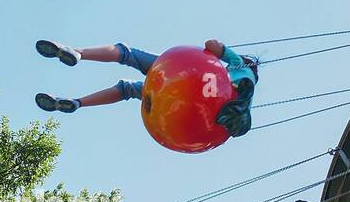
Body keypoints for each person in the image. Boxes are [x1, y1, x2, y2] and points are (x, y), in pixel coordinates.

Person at [33, 40, 259, 137]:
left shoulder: (240, 65)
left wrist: (225, 52)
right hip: (183, 106)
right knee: (129, 90)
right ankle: (77, 102)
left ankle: (78, 52)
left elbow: (212, 45)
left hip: (183, 75)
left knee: (126, 54)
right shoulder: (243, 103)